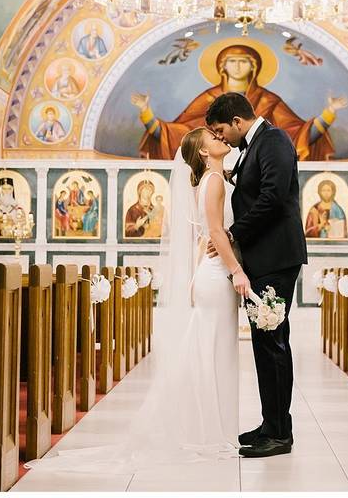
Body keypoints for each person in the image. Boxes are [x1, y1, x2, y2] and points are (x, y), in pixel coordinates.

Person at [24, 126, 247, 472]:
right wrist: (238, 272)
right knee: (213, 353)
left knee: (208, 352)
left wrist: (202, 268)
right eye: (213, 138)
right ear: (203, 153)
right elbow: (216, 232)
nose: (220, 139)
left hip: (210, 273)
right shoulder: (214, 182)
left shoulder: (210, 181)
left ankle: (209, 430)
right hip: (218, 276)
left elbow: (208, 235)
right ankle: (209, 432)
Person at [206, 91, 307, 458]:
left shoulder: (274, 139)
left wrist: (233, 235)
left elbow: (274, 197)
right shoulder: (255, 146)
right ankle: (272, 423)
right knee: (266, 344)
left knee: (273, 342)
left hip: (277, 257)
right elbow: (256, 190)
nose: (221, 138)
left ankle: (279, 433)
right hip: (265, 257)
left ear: (237, 121)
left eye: (221, 130)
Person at [133, 43, 346, 161]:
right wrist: (146, 113)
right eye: (231, 62)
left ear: (253, 66)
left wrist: (329, 113)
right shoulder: (208, 98)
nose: (237, 67)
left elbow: (295, 133)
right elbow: (182, 133)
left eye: (243, 61)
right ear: (222, 67)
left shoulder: (268, 100)